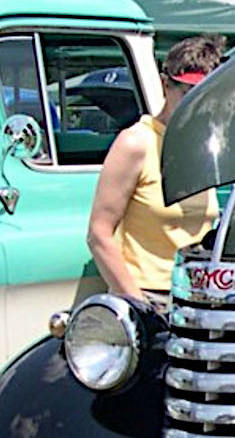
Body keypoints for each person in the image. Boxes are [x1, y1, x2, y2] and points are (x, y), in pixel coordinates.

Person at [86, 35, 224, 309]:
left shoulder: (208, 144)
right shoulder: (136, 142)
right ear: (165, 85)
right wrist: (138, 305)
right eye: (187, 93)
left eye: (205, 95)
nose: (196, 104)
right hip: (147, 296)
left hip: (199, 296)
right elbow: (99, 234)